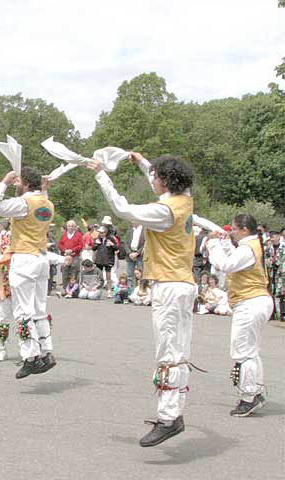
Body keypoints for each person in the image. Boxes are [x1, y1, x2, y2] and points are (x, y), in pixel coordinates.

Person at [86, 152, 197, 448]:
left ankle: (170, 417)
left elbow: (123, 208)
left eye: (156, 177)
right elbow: (162, 179)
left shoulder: (165, 211)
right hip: (183, 283)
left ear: (165, 182)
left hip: (170, 286)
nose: (154, 181)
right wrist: (143, 162)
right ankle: (174, 412)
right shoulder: (185, 198)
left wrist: (101, 174)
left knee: (168, 352)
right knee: (179, 350)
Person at [0, 167, 57, 379]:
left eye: (18, 182)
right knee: (39, 310)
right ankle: (46, 351)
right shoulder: (47, 203)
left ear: (25, 183)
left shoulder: (24, 203)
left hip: (24, 258)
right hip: (42, 258)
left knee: (23, 311)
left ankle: (31, 357)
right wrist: (44, 189)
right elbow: (41, 200)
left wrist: (3, 183)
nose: (16, 185)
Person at [206, 214, 273, 416]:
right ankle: (255, 391)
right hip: (254, 300)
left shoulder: (248, 248)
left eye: (234, 229)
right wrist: (225, 243)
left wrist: (213, 244)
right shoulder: (250, 246)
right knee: (250, 350)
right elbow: (233, 257)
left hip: (250, 301)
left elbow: (226, 265)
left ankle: (248, 397)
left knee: (243, 352)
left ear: (244, 230)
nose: (231, 232)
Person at [58, 220, 83, 294]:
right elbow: (60, 244)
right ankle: (65, 289)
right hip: (65, 256)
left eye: (72, 226)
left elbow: (81, 245)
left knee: (74, 273)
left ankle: (74, 291)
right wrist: (64, 250)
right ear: (67, 227)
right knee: (65, 272)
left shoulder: (79, 235)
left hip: (75, 256)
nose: (70, 227)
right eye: (69, 226)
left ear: (75, 227)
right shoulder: (64, 234)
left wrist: (72, 250)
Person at [93, 226, 118, 297]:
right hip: (99, 260)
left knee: (108, 277)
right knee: (98, 276)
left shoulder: (111, 239)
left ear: (106, 232)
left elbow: (117, 248)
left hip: (108, 260)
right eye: (100, 232)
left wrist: (112, 244)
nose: (101, 234)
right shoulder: (98, 239)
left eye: (102, 232)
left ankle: (109, 291)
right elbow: (93, 248)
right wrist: (96, 244)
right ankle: (97, 290)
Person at [122, 223, 145, 289]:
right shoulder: (130, 230)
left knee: (141, 274)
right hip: (130, 255)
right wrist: (129, 253)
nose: (132, 222)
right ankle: (130, 291)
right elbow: (125, 242)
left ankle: (141, 289)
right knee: (129, 275)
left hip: (140, 255)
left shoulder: (144, 230)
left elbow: (145, 243)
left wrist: (137, 253)